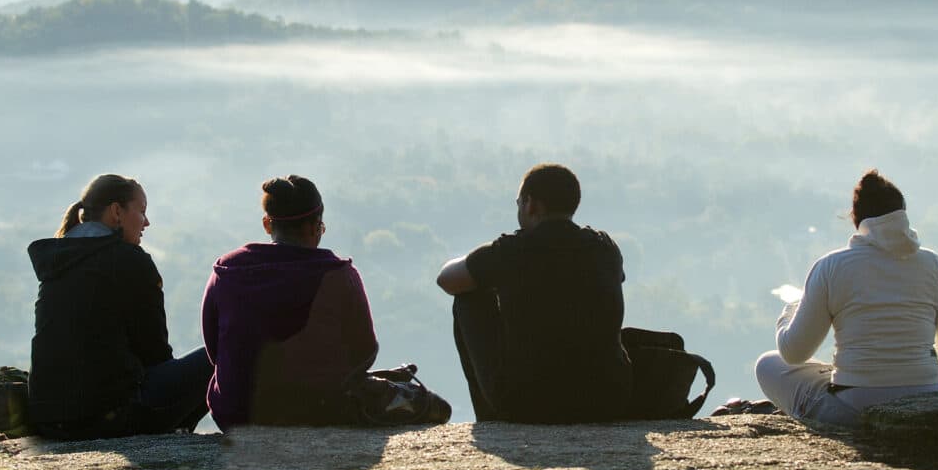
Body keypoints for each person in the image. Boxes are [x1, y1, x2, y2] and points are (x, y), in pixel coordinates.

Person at [756, 170, 938, 429]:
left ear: (856, 219)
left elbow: (794, 352)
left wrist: (788, 312)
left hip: (853, 409)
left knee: (767, 364)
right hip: (926, 403)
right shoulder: (934, 264)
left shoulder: (831, 266)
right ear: (903, 214)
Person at [436, 162, 635, 423]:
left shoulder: (511, 251)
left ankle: (490, 418)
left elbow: (447, 279)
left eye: (518, 202)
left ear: (531, 204)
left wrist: (489, 268)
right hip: (608, 399)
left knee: (468, 298)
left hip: (527, 403)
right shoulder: (605, 248)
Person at [26, 173, 210, 440]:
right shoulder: (130, 261)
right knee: (223, 352)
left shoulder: (59, 260)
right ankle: (175, 435)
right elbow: (155, 352)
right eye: (142, 211)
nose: (147, 222)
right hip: (110, 417)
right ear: (116, 212)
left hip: (50, 421)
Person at [201, 175, 391, 428]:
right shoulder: (339, 275)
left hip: (237, 418)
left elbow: (213, 349)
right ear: (314, 226)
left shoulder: (226, 270)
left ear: (267, 225)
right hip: (319, 414)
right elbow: (365, 351)